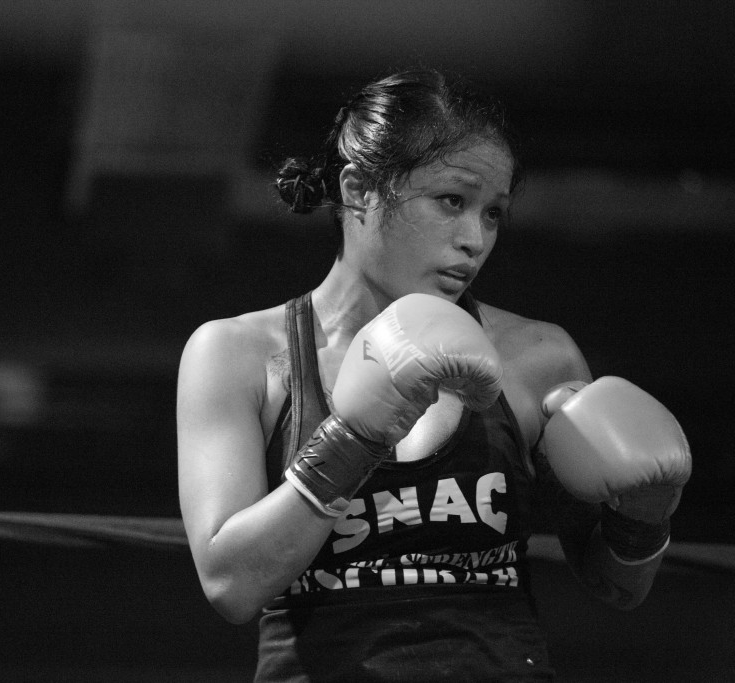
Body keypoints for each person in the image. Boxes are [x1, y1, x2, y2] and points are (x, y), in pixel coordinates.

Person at [176, 68, 691, 681]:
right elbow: (230, 584)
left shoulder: (537, 357)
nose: (475, 238)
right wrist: (355, 437)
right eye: (452, 201)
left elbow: (615, 587)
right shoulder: (239, 353)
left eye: (494, 213)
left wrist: (646, 513)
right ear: (361, 189)